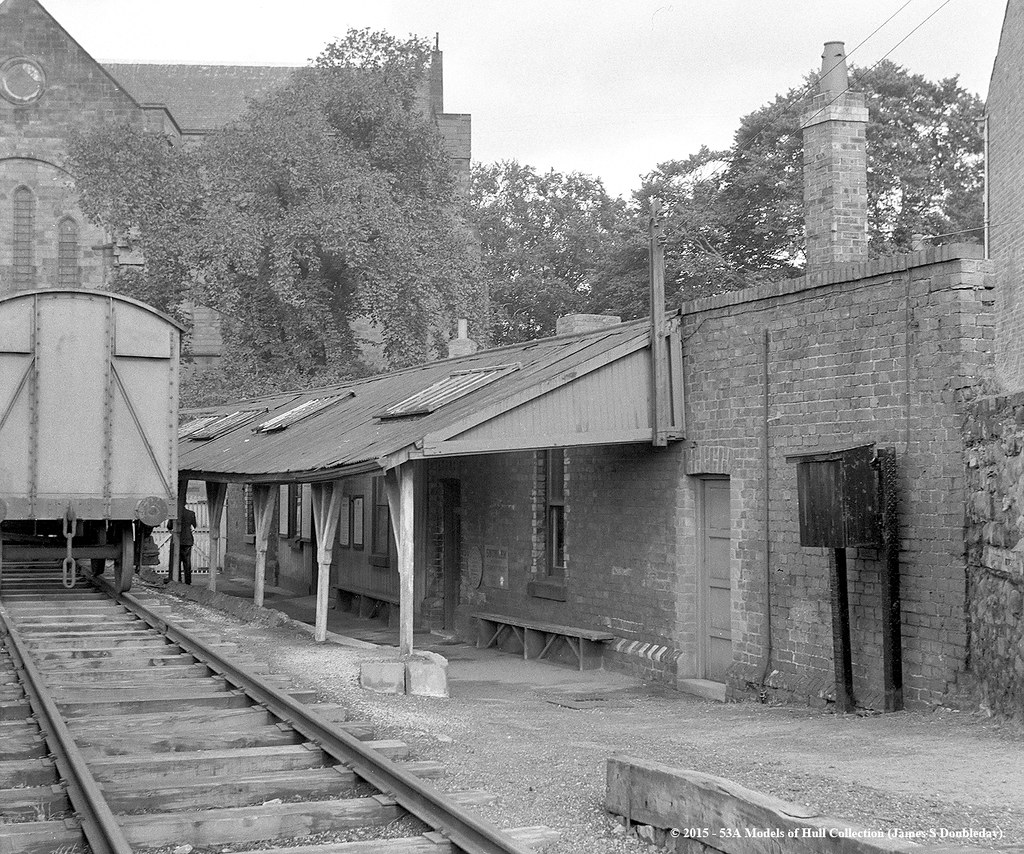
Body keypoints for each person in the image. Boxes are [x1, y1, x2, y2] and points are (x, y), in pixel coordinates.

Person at [169, 507, 198, 584]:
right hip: (187, 540)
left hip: (176, 540)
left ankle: (178, 579)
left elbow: (169, 526)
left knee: (176, 561)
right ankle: (188, 581)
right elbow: (194, 525)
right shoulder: (191, 513)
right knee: (187, 562)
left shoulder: (174, 514)